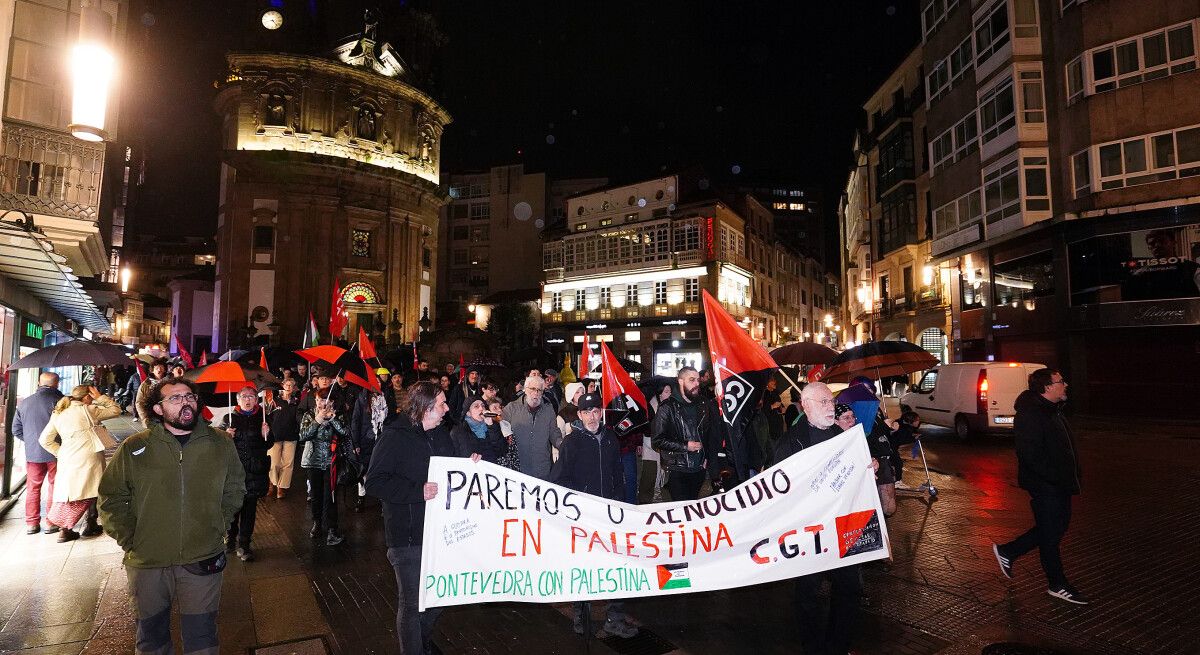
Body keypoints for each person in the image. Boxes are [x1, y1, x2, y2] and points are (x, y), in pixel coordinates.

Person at [98, 377, 245, 655]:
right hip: (148, 560)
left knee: (202, 638)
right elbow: (111, 497)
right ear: (157, 409)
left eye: (189, 396)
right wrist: (130, 539)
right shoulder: (135, 447)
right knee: (151, 639)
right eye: (175, 398)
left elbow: (235, 488)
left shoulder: (220, 444)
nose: (185, 402)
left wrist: (218, 525)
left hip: (203, 556)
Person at [366, 381, 481, 655]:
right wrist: (417, 491)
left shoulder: (440, 435)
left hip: (440, 532)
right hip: (408, 536)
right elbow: (375, 482)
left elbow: (452, 470)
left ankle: (420, 641)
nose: (446, 408)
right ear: (425, 408)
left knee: (440, 597)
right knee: (411, 603)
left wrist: (470, 464)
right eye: (441, 403)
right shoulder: (394, 436)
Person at [774, 382, 877, 655]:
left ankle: (838, 645)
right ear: (805, 406)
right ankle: (813, 648)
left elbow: (859, 470)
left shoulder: (845, 437)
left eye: (830, 401)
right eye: (822, 402)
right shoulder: (790, 442)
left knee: (850, 590)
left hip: (841, 528)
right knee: (808, 594)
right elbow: (778, 489)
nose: (830, 407)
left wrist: (871, 465)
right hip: (809, 532)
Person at [993, 368, 1088, 605]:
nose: (1065, 385)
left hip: (1059, 484)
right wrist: (1055, 477)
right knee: (1051, 535)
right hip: (1046, 486)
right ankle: (1057, 583)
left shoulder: (1053, 410)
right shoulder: (1032, 415)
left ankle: (1008, 551)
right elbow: (1030, 455)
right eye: (1061, 381)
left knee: (1053, 529)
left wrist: (1072, 473)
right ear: (1047, 387)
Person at [551, 393, 637, 639]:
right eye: (587, 412)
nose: (592, 416)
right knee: (584, 565)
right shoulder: (572, 442)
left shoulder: (611, 438)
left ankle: (615, 618)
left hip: (610, 515)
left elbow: (618, 473)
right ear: (578, 415)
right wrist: (575, 507)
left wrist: (620, 505)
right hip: (584, 517)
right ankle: (580, 614)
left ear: (601, 413)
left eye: (596, 411)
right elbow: (559, 480)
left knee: (617, 565)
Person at [38, 385, 119, 542]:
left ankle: (64, 529)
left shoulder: (59, 413)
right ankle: (91, 524)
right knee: (93, 489)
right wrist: (100, 396)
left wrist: (59, 451)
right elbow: (115, 410)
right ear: (87, 397)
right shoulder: (89, 410)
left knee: (69, 493)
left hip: (67, 457)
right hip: (90, 456)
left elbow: (44, 440)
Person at [217, 386, 273, 561]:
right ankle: (230, 539)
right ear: (237, 399)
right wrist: (226, 436)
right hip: (234, 472)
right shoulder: (229, 418)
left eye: (251, 396)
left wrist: (267, 434)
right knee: (233, 508)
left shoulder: (263, 418)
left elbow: (269, 444)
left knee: (249, 509)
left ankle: (244, 544)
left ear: (256, 400)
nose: (248, 400)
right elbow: (218, 444)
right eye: (244, 396)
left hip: (255, 471)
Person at [650, 367, 712, 501]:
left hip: (699, 469)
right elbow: (657, 440)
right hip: (677, 469)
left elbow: (709, 433)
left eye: (697, 380)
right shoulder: (667, 407)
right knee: (682, 510)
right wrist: (685, 446)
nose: (696, 383)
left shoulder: (703, 404)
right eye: (691, 380)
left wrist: (707, 456)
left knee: (695, 509)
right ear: (680, 381)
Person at [12, 372, 62, 535]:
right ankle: (51, 522)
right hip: (57, 452)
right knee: (55, 485)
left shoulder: (25, 402)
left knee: (33, 487)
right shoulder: (62, 401)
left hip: (33, 453)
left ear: (39, 383)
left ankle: (32, 523)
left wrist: (33, 441)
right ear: (57, 384)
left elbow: (16, 430)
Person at [300, 396, 347, 546]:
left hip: (331, 461)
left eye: (327, 400)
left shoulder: (337, 415)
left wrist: (333, 419)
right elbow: (303, 435)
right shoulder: (309, 414)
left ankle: (332, 529)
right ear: (315, 401)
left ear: (332, 402)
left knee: (331, 496)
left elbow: (345, 433)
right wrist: (318, 420)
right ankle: (317, 523)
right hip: (313, 461)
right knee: (315, 495)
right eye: (320, 400)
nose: (323, 403)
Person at [836, 403, 895, 516]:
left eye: (853, 416)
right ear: (836, 421)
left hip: (874, 472)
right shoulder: (834, 439)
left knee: (888, 508)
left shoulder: (858, 434)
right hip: (847, 492)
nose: (851, 420)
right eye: (846, 417)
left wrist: (873, 461)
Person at [504, 374, 563, 480]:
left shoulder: (548, 410)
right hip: (518, 469)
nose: (536, 393)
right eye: (532, 389)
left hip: (542, 469)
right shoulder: (511, 408)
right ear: (525, 390)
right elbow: (501, 432)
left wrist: (562, 444)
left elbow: (554, 432)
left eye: (539, 390)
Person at [350, 385, 389, 512]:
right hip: (365, 439)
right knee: (364, 470)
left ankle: (382, 499)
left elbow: (389, 419)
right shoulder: (361, 399)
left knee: (381, 468)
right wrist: (355, 443)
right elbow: (355, 421)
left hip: (381, 439)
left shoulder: (384, 398)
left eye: (378, 381)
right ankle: (361, 497)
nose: (376, 384)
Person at [264, 379, 301, 499]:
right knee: (273, 462)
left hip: (291, 436)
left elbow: (299, 417)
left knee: (288, 463)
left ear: (294, 387)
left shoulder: (296, 402)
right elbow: (267, 416)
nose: (289, 387)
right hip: (275, 436)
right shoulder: (275, 401)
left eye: (291, 385)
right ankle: (272, 484)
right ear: (282, 385)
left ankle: (282, 487)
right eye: (287, 384)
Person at [450, 395, 509, 463]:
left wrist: (491, 426)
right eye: (476, 406)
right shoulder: (458, 432)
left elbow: (502, 451)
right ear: (468, 413)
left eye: (483, 406)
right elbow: (455, 458)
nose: (481, 409)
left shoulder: (492, 426)